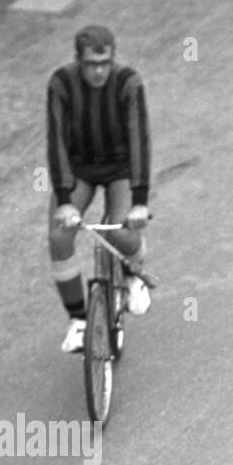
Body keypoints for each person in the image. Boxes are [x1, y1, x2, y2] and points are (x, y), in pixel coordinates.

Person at [46, 25, 152, 354]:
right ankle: (79, 321)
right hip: (81, 169)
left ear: (113, 59)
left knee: (121, 231)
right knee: (59, 236)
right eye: (92, 64)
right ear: (79, 61)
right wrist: (64, 202)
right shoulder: (61, 84)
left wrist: (139, 202)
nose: (99, 71)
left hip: (120, 168)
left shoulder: (128, 83)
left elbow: (139, 140)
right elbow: (56, 141)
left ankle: (133, 275)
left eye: (105, 62)